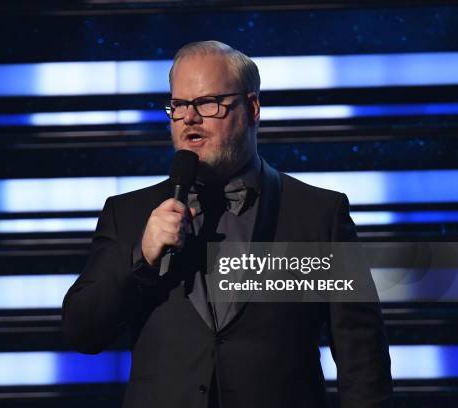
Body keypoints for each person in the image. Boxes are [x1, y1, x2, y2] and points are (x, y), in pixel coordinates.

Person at [62, 41, 392, 408]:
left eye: (207, 103)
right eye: (179, 106)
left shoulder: (318, 215)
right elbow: (83, 332)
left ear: (252, 108)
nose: (189, 118)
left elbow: (362, 362)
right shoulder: (128, 213)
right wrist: (142, 258)